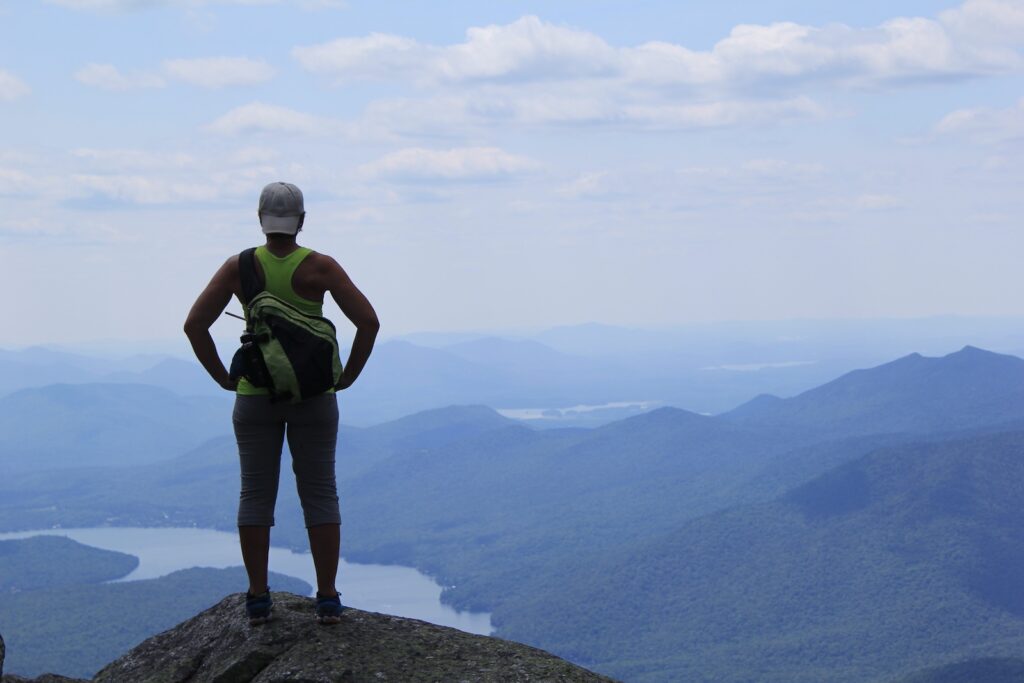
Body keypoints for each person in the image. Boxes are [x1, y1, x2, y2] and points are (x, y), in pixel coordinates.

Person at [183, 181, 379, 625]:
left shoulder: (239, 267)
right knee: (320, 492)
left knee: (255, 493)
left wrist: (223, 378)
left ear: (260, 220)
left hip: (255, 395)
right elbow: (368, 322)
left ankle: (257, 598)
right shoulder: (321, 268)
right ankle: (327, 597)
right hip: (315, 397)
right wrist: (346, 376)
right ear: (302, 221)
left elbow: (195, 325)